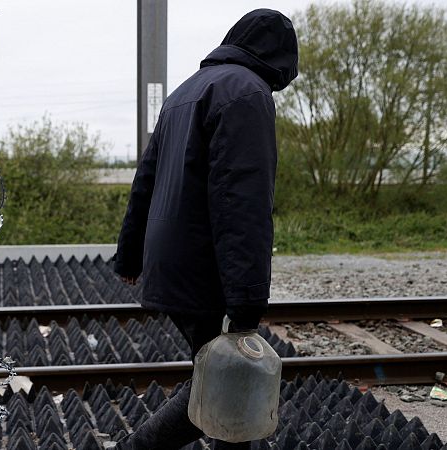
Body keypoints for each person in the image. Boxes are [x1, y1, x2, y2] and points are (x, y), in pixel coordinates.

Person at [111, 9, 299, 450]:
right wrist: (248, 300)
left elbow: (147, 179)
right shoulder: (247, 94)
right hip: (204, 264)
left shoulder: (186, 92)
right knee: (222, 382)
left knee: (222, 381)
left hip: (175, 258)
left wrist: (130, 254)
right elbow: (243, 203)